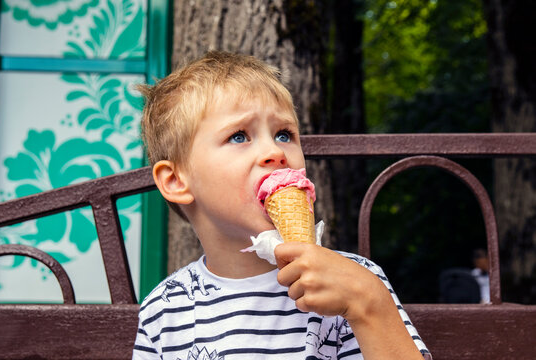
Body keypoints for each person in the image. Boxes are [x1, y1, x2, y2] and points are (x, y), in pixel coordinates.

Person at [132, 51, 431, 359]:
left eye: (284, 134)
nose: (274, 151)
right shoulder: (165, 309)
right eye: (238, 136)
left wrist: (370, 306)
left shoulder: (355, 281)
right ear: (176, 181)